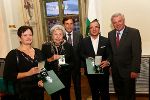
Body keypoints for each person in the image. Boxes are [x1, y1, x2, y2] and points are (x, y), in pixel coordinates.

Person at [3, 26, 44, 100]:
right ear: (19, 38)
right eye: (25, 35)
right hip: (23, 91)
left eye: (30, 35)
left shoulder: (38, 52)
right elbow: (8, 75)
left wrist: (43, 80)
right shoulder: (13, 54)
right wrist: (28, 73)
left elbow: (42, 68)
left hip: (39, 90)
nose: (28, 37)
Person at [108, 13, 142, 100]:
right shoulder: (110, 34)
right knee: (119, 94)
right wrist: (110, 66)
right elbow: (112, 53)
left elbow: (137, 53)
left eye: (119, 21)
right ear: (112, 24)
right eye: (115, 22)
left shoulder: (134, 32)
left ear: (124, 21)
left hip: (129, 71)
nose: (117, 24)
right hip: (115, 72)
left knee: (129, 95)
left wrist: (135, 70)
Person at [80, 19, 111, 100]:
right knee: (94, 92)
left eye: (96, 27)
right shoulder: (83, 41)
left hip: (103, 69)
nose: (94, 29)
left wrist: (108, 61)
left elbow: (110, 54)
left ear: (99, 28)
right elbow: (81, 54)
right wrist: (87, 58)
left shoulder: (106, 40)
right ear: (89, 29)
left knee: (105, 92)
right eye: (91, 27)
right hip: (91, 70)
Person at [41, 24, 73, 100]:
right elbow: (41, 64)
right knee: (54, 98)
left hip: (65, 77)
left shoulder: (68, 46)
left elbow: (73, 62)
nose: (58, 36)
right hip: (51, 77)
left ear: (63, 36)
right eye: (55, 34)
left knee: (66, 97)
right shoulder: (46, 46)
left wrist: (66, 66)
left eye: (60, 34)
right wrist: (50, 59)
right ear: (52, 36)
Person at [63, 17, 83, 100]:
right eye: (67, 24)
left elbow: (81, 51)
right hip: (65, 66)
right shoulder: (60, 35)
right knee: (66, 86)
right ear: (64, 25)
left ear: (74, 25)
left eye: (71, 23)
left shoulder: (79, 35)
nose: (69, 26)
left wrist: (82, 66)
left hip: (76, 65)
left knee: (77, 86)